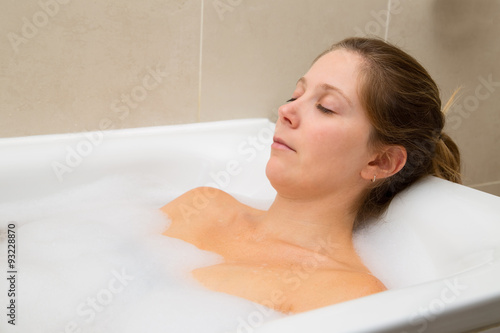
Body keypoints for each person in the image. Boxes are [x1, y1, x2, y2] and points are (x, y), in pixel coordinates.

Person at [161, 37, 461, 314]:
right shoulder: (201, 207)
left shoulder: (346, 294)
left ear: (380, 162)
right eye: (296, 95)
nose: (285, 110)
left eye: (325, 107)